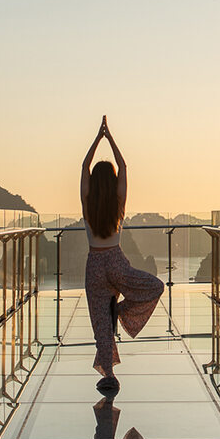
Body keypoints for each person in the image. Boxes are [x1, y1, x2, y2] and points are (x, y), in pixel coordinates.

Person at [81, 117, 163, 394]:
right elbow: (124, 166)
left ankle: (110, 376)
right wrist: (110, 137)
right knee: (154, 287)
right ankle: (119, 310)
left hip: (95, 265)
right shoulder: (118, 204)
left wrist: (97, 138)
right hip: (116, 262)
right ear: (113, 181)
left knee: (101, 327)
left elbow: (83, 167)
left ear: (93, 182)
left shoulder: (88, 204)